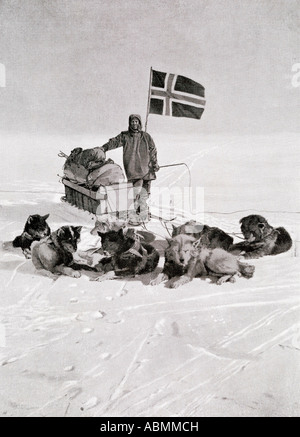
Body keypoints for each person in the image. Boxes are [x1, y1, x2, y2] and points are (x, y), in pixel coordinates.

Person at [100, 114, 159, 224]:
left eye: (136, 122)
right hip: (134, 170)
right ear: (129, 123)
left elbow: (153, 151)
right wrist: (104, 148)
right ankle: (132, 217)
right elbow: (114, 142)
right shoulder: (125, 136)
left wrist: (155, 163)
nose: (134, 124)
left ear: (139, 123)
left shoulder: (146, 136)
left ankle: (143, 215)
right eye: (132, 122)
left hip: (147, 170)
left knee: (144, 195)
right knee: (133, 194)